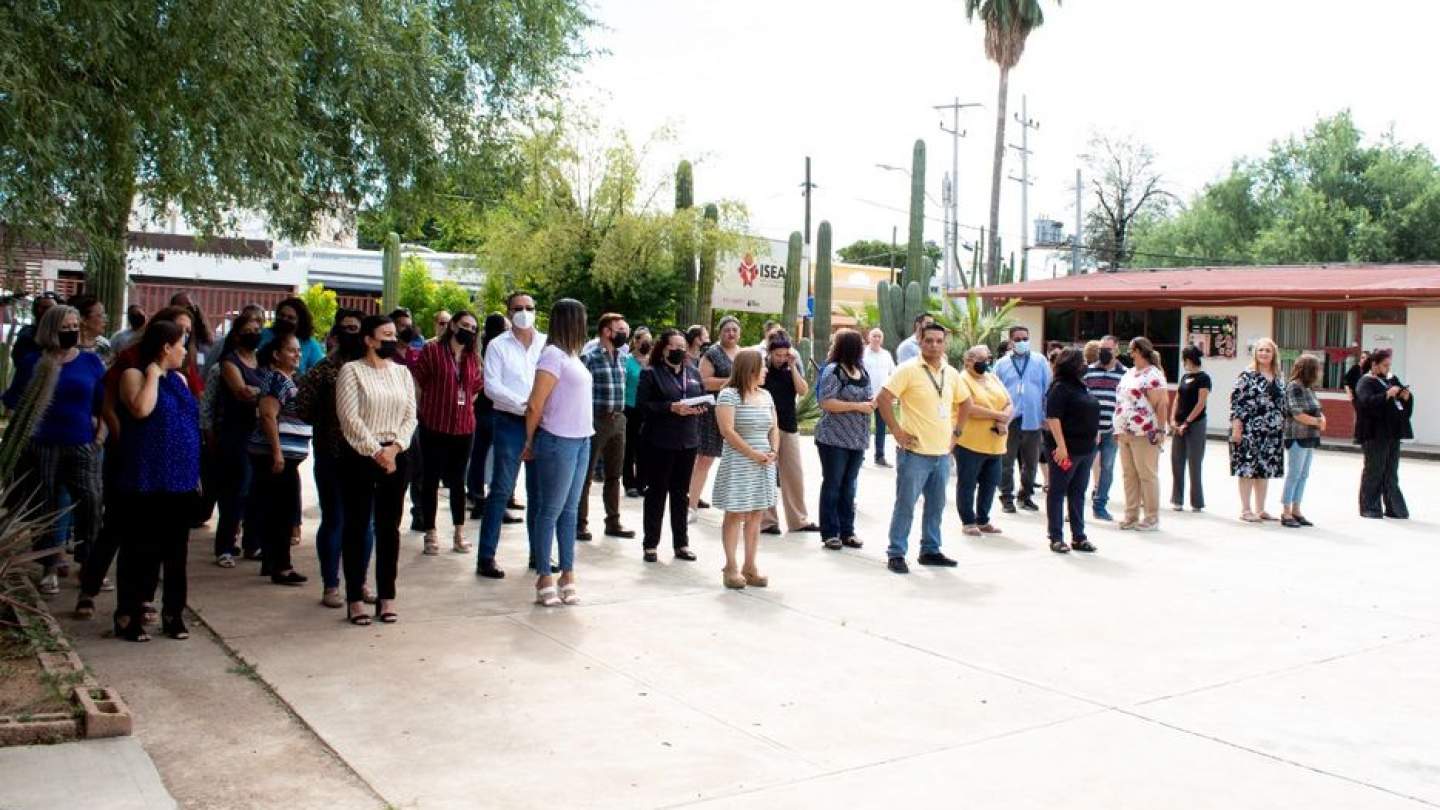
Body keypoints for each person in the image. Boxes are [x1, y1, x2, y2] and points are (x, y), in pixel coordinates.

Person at [112, 321, 199, 641]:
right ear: (165, 347)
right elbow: (141, 409)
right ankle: (128, 613)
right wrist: (153, 373)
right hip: (146, 478)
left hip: (181, 478)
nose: (185, 351)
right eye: (181, 344)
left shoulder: (180, 379)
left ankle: (173, 613)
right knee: (140, 548)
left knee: (176, 551)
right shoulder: (135, 375)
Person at [12, 306, 105, 596]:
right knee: (47, 504)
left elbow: (104, 403)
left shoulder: (90, 362)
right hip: (43, 444)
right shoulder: (32, 362)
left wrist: (100, 437)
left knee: (90, 502)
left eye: (76, 325)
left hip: (81, 442)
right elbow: (16, 400)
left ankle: (89, 564)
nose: (72, 330)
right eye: (66, 325)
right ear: (51, 328)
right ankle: (49, 565)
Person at [336, 314, 417, 625]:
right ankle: (355, 597)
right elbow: (350, 420)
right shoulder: (351, 371)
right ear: (369, 339)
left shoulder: (403, 374)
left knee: (389, 529)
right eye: (385, 335)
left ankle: (387, 597)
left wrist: (395, 449)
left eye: (394, 335)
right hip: (360, 456)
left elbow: (410, 416)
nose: (392, 340)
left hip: (397, 455)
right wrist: (376, 452)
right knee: (357, 526)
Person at [296, 310, 374, 608]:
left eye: (357, 328)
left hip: (367, 455)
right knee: (335, 520)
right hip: (332, 454)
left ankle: (360, 582)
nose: (351, 333)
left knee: (365, 523)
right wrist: (329, 421)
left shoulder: (373, 368)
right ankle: (331, 584)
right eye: (346, 328)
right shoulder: (323, 369)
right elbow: (302, 407)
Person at [877, 323, 966, 574]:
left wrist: (956, 434)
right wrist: (896, 431)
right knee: (906, 504)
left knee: (936, 506)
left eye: (939, 341)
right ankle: (896, 552)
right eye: (929, 341)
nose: (934, 345)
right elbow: (883, 398)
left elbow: (966, 402)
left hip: (941, 453)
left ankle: (930, 549)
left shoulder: (951, 373)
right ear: (920, 341)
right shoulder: (907, 370)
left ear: (944, 343)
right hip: (914, 453)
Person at [521, 299, 593, 606]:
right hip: (557, 439)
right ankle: (544, 575)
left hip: (581, 439)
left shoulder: (573, 356)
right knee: (550, 510)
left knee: (569, 511)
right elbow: (535, 403)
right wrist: (529, 441)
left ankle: (568, 572)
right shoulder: (552, 355)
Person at [477, 293, 546, 579]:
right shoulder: (497, 346)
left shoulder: (546, 343)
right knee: (502, 489)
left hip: (543, 424)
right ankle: (486, 556)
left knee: (539, 494)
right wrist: (524, 403)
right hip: (510, 422)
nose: (524, 313)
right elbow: (491, 386)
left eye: (529, 308)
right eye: (518, 309)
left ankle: (538, 555)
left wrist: (539, 407)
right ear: (508, 312)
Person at [409, 311, 483, 554]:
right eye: (464, 325)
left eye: (473, 328)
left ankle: (459, 533)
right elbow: (418, 383)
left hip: (463, 427)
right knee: (430, 480)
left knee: (458, 482)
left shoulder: (473, 357)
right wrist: (422, 412)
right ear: (452, 325)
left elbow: (475, 389)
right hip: (434, 424)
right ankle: (430, 533)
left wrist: (463, 405)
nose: (468, 331)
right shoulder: (432, 350)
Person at [634, 330, 705, 562]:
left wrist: (701, 407)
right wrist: (669, 408)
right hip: (660, 442)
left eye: (682, 346)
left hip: (688, 440)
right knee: (656, 493)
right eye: (674, 346)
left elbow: (701, 396)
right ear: (664, 348)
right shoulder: (651, 373)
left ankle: (681, 544)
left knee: (680, 494)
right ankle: (650, 544)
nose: (679, 351)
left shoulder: (693, 373)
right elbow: (643, 406)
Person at [249, 332, 312, 584]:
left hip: (286, 456)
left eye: (298, 350)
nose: (297, 354)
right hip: (276, 455)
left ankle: (272, 562)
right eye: (291, 350)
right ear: (276, 355)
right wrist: (276, 452)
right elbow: (267, 415)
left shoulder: (288, 379)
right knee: (281, 512)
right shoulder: (276, 380)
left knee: (279, 509)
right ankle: (281, 566)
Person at [713, 350, 777, 589]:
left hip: (764, 462)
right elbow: (727, 431)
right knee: (735, 513)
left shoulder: (766, 395)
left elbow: (774, 427)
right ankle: (730, 566)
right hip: (740, 461)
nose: (766, 371)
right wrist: (752, 454)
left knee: (757, 513)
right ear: (750, 370)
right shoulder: (729, 395)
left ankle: (750, 566)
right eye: (763, 367)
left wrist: (774, 451)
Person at [213, 312, 267, 565]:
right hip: (236, 433)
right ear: (236, 335)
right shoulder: (229, 362)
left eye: (257, 329)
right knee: (235, 490)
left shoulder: (261, 361)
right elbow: (242, 392)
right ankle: (225, 545)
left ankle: (252, 543)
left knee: (256, 490)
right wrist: (263, 393)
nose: (254, 334)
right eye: (248, 330)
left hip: (259, 433)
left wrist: (260, 393)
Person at [814, 329, 873, 550]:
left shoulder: (861, 370)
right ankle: (830, 532)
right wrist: (857, 406)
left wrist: (871, 402)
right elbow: (826, 401)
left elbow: (867, 394)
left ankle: (847, 531)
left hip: (857, 439)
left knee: (849, 486)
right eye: (861, 343)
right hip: (833, 439)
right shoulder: (833, 371)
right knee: (833, 485)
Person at [578, 313, 635, 540]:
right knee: (586, 474)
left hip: (618, 420)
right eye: (619, 329)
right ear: (606, 331)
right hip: (595, 419)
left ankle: (613, 522)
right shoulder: (589, 357)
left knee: (614, 474)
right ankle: (579, 523)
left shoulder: (622, 357)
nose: (623, 333)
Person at [760, 330, 818, 535]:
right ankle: (767, 521)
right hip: (766, 427)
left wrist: (793, 366)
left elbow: (803, 391)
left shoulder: (789, 369)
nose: (782, 358)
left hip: (789, 425)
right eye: (778, 355)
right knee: (765, 474)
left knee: (793, 474)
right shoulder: (762, 371)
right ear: (769, 353)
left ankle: (798, 520)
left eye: (785, 354)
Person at [1043, 348, 1101, 554]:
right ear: (1072, 364)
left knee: (1078, 493)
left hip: (1086, 450)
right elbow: (1053, 418)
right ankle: (1056, 537)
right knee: (1058, 492)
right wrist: (1060, 446)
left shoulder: (1081, 387)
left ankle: (1079, 536)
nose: (1086, 364)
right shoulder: (1059, 388)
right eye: (1082, 361)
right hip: (1066, 451)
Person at [952, 345, 1012, 537]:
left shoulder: (992, 377)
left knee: (991, 482)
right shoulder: (962, 380)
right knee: (967, 483)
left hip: (995, 442)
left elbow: (1009, 402)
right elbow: (969, 408)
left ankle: (983, 519)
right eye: (981, 359)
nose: (986, 363)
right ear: (968, 361)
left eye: (988, 359)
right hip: (970, 442)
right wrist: (998, 415)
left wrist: (1004, 419)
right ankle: (968, 521)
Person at [1114, 337, 1170, 531]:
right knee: (1129, 474)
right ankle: (1131, 515)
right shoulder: (1129, 373)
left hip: (1145, 432)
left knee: (1147, 474)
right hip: (1124, 431)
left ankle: (1151, 517)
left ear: (1139, 350)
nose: (1129, 353)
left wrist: (1161, 430)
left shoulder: (1153, 375)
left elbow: (1161, 404)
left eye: (1131, 349)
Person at [994, 325, 1050, 513]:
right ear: (1010, 341)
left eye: (1024, 338)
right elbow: (994, 392)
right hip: (1009, 420)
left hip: (1033, 419)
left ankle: (1025, 496)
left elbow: (1047, 389)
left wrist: (1046, 416)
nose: (1021, 342)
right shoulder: (1001, 364)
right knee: (1006, 462)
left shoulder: (1039, 361)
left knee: (1031, 462)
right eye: (1017, 339)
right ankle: (1006, 497)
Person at [1230, 338, 1286, 523]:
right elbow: (1236, 403)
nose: (1263, 353)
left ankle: (1260, 509)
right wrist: (1237, 428)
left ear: (1273, 354)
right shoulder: (1247, 375)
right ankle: (1246, 510)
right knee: (1247, 470)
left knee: (1264, 470)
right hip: (1249, 430)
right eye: (1260, 350)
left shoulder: (1279, 376)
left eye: (1267, 350)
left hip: (1272, 432)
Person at [691, 316, 742, 518]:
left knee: (737, 459)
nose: (731, 333)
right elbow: (703, 382)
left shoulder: (743, 354)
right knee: (705, 458)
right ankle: (691, 504)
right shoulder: (712, 353)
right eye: (727, 329)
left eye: (734, 330)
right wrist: (732, 380)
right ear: (720, 332)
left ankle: (737, 506)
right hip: (713, 411)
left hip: (737, 410)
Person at [1354, 348, 1412, 519]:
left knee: (1391, 470)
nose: (1388, 368)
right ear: (1374, 365)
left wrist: (1406, 397)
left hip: (1392, 432)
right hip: (1374, 433)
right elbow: (1366, 404)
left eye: (1389, 365)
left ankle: (1395, 508)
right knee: (1375, 470)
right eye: (1385, 365)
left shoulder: (1391, 378)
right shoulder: (1365, 382)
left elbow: (1400, 403)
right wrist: (1386, 395)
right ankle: (1369, 507)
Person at [466, 314, 509, 518]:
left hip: (479, 408)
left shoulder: (479, 345)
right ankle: (497, 500)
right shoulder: (501, 346)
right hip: (495, 408)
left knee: (478, 455)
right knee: (501, 457)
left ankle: (476, 496)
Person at [1280, 354, 1326, 528]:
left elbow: (1316, 409)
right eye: (1318, 368)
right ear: (1309, 370)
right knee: (1294, 474)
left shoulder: (1309, 388)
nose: (1320, 371)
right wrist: (1317, 422)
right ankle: (1286, 511)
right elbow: (1296, 412)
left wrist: (1322, 418)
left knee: (1304, 475)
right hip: (1297, 436)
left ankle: (1296, 509)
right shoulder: (1294, 386)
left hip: (1310, 436)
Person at [1084, 335, 1125, 521]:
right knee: (1082, 467)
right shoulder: (1088, 371)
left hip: (1111, 430)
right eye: (1101, 349)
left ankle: (1100, 505)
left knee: (1107, 468)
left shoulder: (1125, 374)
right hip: (1089, 429)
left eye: (1108, 350)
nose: (1104, 353)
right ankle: (1075, 505)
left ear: (1116, 351)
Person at [1170, 345, 1212, 512]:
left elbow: (1201, 403)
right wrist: (1173, 419)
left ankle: (1196, 502)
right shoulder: (1184, 377)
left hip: (1196, 423)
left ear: (1189, 359)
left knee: (1194, 462)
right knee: (1177, 461)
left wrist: (1187, 422)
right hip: (1178, 423)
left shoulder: (1204, 378)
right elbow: (1177, 399)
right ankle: (1177, 499)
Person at [622, 329, 653, 498]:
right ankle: (629, 483)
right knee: (629, 447)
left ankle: (643, 482)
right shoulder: (627, 361)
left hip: (646, 409)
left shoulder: (653, 362)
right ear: (636, 341)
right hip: (630, 407)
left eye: (649, 341)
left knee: (645, 447)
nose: (646, 344)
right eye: (643, 341)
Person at [261, 297, 326, 372]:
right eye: (282, 315)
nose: (284, 319)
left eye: (290, 318)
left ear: (300, 322)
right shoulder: (263, 335)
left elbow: (318, 373)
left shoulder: (311, 345)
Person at [862, 328, 896, 467]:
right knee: (863, 427)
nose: (876, 338)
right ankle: (860, 456)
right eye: (874, 336)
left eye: (879, 336)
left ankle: (880, 456)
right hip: (865, 396)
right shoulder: (862, 354)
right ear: (869, 338)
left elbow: (893, 374)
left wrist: (893, 394)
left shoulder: (886, 355)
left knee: (881, 428)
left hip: (882, 397)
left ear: (882, 339)